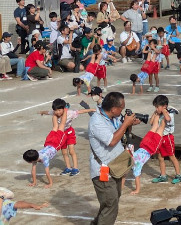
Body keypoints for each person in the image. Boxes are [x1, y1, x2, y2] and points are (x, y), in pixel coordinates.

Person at [88, 92, 140, 224]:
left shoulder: (113, 117)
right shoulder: (97, 121)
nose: (122, 110)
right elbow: (111, 141)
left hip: (115, 167)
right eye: (121, 108)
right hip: (103, 170)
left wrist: (128, 125)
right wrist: (125, 124)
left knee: (111, 201)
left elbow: (120, 134)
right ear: (113, 109)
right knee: (111, 204)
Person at [38, 99, 95, 177]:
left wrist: (91, 109)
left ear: (63, 109)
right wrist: (42, 112)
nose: (57, 112)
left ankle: (75, 168)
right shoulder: (54, 113)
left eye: (59, 110)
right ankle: (68, 167)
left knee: (71, 151)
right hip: (61, 135)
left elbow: (80, 111)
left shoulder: (69, 113)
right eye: (56, 110)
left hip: (69, 132)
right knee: (64, 152)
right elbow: (48, 112)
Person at [23, 111, 67, 188]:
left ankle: (65, 110)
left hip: (55, 144)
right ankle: (54, 113)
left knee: (61, 126)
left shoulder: (44, 159)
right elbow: (33, 170)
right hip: (48, 142)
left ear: (31, 161)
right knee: (55, 127)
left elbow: (47, 172)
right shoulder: (35, 155)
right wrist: (34, 182)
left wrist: (50, 183)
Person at [148, 95, 181, 185]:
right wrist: (155, 113)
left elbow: (168, 119)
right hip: (159, 137)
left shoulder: (169, 113)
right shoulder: (157, 113)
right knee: (160, 157)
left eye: (157, 106)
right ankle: (163, 175)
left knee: (172, 156)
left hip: (167, 137)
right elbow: (151, 122)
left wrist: (164, 111)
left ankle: (178, 175)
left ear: (164, 106)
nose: (156, 108)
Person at [128, 113, 167, 194]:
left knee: (157, 127)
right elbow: (135, 178)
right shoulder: (133, 164)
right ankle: (164, 113)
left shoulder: (133, 165)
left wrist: (136, 190)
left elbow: (135, 178)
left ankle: (160, 112)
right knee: (158, 128)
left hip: (147, 146)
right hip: (147, 147)